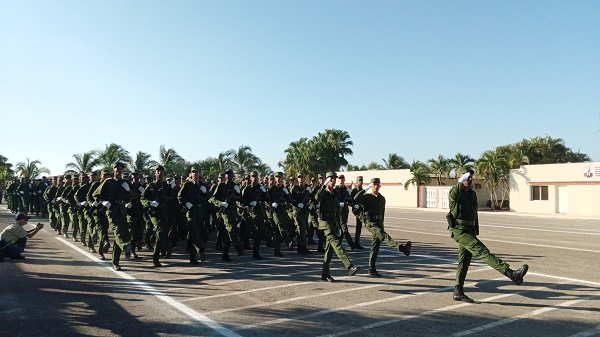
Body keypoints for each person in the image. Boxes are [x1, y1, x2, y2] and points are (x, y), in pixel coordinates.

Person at [448, 167, 529, 303]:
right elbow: (455, 196)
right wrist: (460, 182)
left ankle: (458, 291)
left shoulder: (472, 194)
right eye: (466, 176)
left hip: (470, 230)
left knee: (464, 261)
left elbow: (474, 214)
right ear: (459, 178)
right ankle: (511, 274)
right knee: (483, 251)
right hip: (459, 230)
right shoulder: (455, 192)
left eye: (471, 177)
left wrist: (475, 231)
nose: (470, 179)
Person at [354, 178, 411, 277]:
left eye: (377, 184)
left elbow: (382, 214)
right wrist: (366, 188)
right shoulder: (367, 197)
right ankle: (401, 248)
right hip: (371, 223)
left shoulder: (382, 199)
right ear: (371, 186)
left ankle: (371, 269)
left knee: (375, 247)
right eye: (374, 184)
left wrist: (382, 225)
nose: (376, 186)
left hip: (379, 223)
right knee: (384, 236)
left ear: (380, 186)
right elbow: (356, 198)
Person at [314, 171, 360, 282]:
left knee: (329, 251)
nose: (333, 180)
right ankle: (349, 266)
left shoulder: (335, 193)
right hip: (326, 224)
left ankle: (325, 274)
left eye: (334, 179)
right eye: (331, 178)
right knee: (337, 244)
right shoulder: (323, 192)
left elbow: (337, 210)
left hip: (334, 223)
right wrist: (323, 185)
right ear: (327, 180)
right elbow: (317, 197)